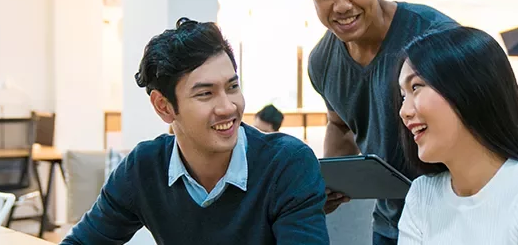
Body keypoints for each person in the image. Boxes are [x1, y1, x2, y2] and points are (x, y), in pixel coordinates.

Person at [61, 17, 329, 245]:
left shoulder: (287, 164)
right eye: (205, 94)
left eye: (232, 87)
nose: (228, 107)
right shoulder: (143, 168)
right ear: (164, 106)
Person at [394, 27, 518, 244]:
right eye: (403, 96)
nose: (404, 111)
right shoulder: (422, 195)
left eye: (416, 87)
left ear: (470, 90)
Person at [303, 0, 458, 243]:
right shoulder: (322, 61)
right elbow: (341, 125)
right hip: (389, 225)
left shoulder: (436, 35)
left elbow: (477, 133)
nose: (341, 5)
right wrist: (330, 184)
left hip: (452, 222)